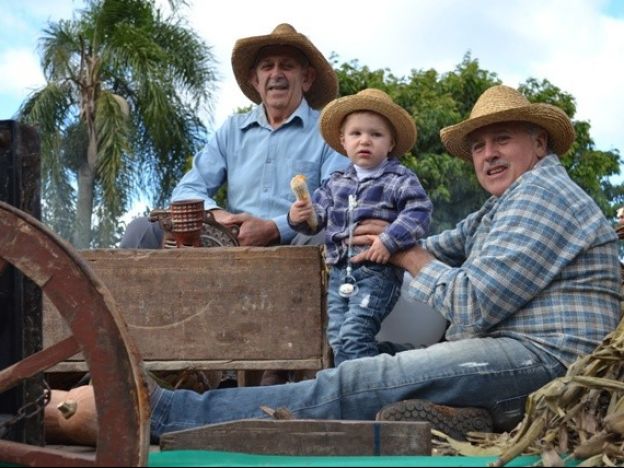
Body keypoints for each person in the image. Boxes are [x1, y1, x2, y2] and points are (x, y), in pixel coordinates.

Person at [48, 84, 621, 443]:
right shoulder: (507, 203)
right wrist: (389, 240)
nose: (488, 154)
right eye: (479, 145)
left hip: (548, 360)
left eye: (503, 141)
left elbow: (469, 298)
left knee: (367, 374)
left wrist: (406, 249)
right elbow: (448, 242)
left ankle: (170, 413)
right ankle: (460, 409)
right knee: (386, 359)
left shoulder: (542, 193)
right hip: (518, 352)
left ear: (539, 144)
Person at [120, 23, 349, 386]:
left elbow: (336, 199)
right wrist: (219, 217)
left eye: (287, 66)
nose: (276, 74)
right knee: (141, 230)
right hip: (228, 244)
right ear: (255, 81)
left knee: (324, 241)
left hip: (294, 244)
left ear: (306, 78)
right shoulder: (232, 129)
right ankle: (130, 357)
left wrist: (275, 226)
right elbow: (187, 190)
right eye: (267, 66)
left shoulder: (327, 132)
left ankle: (290, 371)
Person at [288, 88, 432, 365]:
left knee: (355, 334)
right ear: (343, 141)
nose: (365, 140)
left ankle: (361, 394)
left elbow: (419, 212)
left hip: (378, 273)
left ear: (390, 143)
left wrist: (389, 240)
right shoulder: (335, 182)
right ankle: (398, 363)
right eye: (356, 134)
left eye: (376, 134)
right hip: (340, 273)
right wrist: (299, 215)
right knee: (338, 338)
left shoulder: (399, 178)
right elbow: (316, 218)